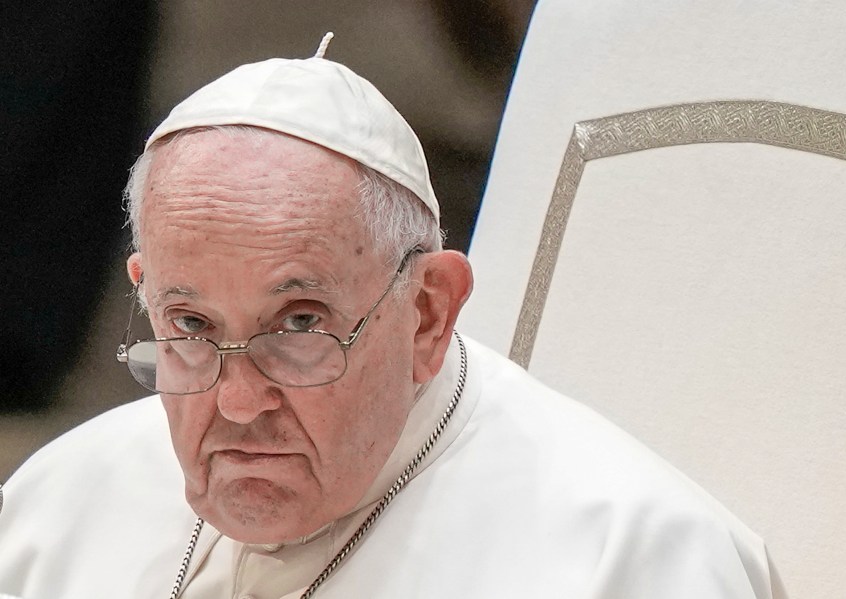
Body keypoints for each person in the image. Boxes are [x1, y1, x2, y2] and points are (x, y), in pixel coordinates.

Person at [0, 39, 787, 599]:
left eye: (299, 324)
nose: (236, 403)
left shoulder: (634, 558)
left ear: (427, 314)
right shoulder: (57, 506)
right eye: (193, 328)